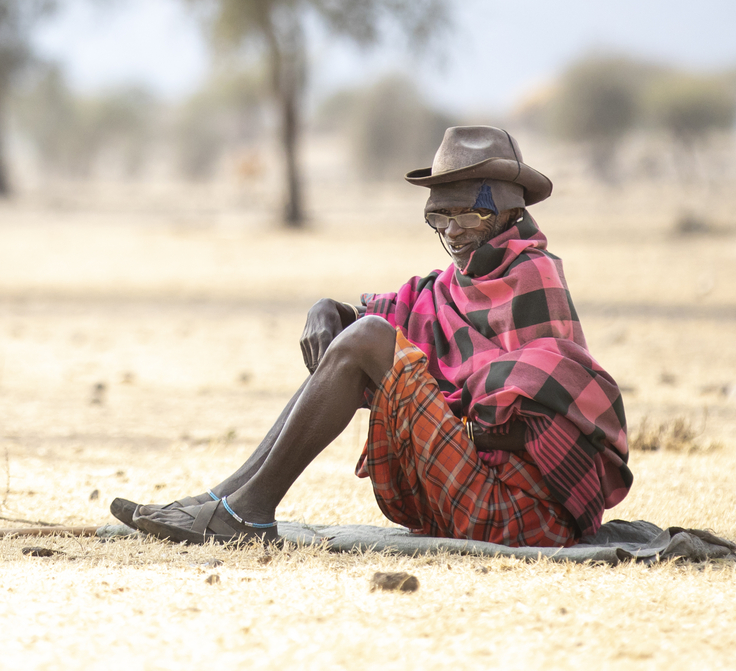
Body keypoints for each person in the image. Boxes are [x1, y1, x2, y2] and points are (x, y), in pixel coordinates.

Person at [116, 125, 631, 546]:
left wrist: (437, 408)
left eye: (470, 214)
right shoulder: (454, 285)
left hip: (520, 508)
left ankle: (245, 512)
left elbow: (551, 423)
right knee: (359, 336)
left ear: (510, 214)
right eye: (439, 216)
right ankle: (223, 500)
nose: (452, 232)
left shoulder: (532, 276)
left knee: (369, 340)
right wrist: (327, 310)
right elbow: (369, 326)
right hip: (466, 484)